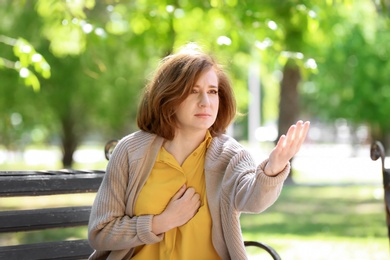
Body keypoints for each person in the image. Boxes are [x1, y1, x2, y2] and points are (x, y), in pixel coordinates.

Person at [88, 43, 310, 260]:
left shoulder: (230, 154)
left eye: (212, 91)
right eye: (193, 91)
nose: (206, 102)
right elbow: (101, 233)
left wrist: (273, 169)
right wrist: (162, 221)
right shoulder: (130, 151)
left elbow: (253, 200)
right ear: (169, 97)